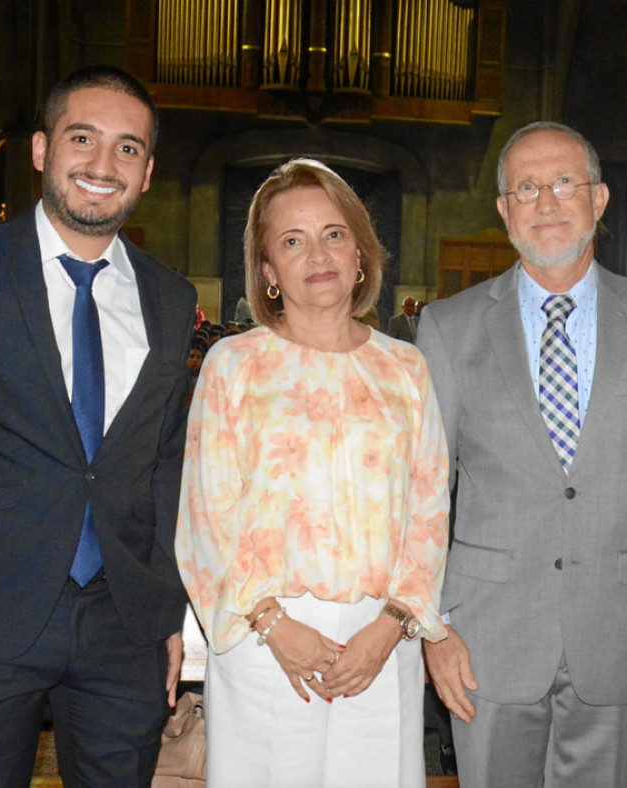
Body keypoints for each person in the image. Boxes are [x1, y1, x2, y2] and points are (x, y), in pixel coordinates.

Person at [0, 65, 196, 786]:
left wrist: (170, 612)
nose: (103, 165)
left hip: (123, 625)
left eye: (127, 149)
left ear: (146, 173)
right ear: (43, 149)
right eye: (84, 138)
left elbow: (166, 465)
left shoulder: (171, 300)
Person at [418, 121, 627, 787]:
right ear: (502, 209)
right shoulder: (448, 327)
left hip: (620, 633)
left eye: (562, 183)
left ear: (599, 199)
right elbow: (420, 497)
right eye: (524, 188)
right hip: (485, 640)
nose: (545, 202)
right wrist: (431, 630)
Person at [175, 158, 450, 787]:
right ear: (268, 271)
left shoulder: (405, 369)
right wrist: (273, 624)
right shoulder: (233, 365)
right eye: (292, 241)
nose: (317, 254)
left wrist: (393, 624)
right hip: (265, 635)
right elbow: (206, 516)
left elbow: (430, 506)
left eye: (334, 233)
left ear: (360, 251)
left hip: (383, 639)